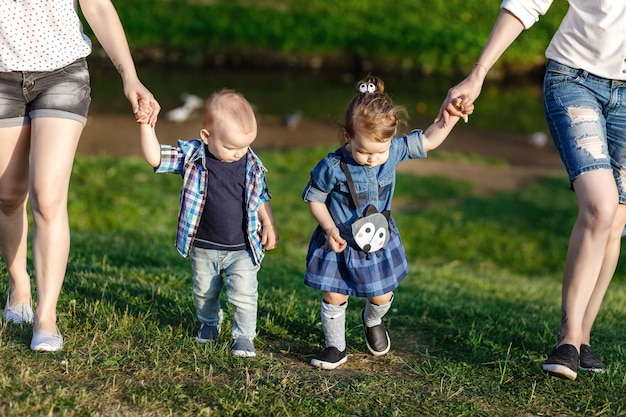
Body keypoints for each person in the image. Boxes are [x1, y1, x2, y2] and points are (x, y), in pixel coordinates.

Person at [437, 1, 626, 380]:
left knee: (617, 215)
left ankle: (583, 340)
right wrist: (479, 73)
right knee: (600, 205)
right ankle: (568, 340)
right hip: (575, 80)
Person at [0, 0, 159, 352]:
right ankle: (19, 286)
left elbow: (99, 6)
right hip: (2, 74)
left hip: (62, 73)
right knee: (9, 196)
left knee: (49, 196)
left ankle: (46, 316)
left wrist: (129, 77)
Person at [302, 76, 469, 369]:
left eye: (379, 152)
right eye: (363, 151)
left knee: (381, 296)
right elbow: (314, 198)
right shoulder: (332, 167)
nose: (371, 159)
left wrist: (451, 118)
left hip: (377, 242)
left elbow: (429, 139)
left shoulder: (392, 152)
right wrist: (329, 228)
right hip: (340, 242)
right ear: (347, 136)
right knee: (334, 294)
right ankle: (335, 347)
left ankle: (372, 321)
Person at [139, 89, 279, 357]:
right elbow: (155, 157)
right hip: (204, 246)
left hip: (242, 247)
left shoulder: (250, 162)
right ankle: (209, 324)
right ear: (207, 136)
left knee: (244, 296)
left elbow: (260, 195)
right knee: (204, 292)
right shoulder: (192, 156)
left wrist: (269, 224)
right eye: (231, 147)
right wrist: (147, 127)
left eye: (245, 146)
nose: (239, 153)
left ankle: (243, 337)